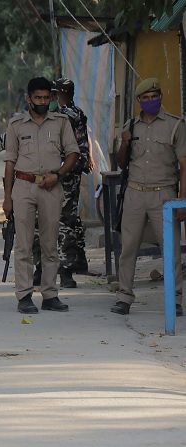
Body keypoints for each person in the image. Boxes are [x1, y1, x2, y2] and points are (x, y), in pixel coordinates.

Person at [3, 77, 80, 314]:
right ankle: (24, 295)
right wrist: (7, 198)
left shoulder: (61, 122)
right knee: (24, 244)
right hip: (23, 186)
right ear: (29, 98)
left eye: (47, 98)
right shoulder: (16, 125)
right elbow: (9, 163)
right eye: (38, 98)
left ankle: (50, 295)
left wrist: (58, 175)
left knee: (50, 243)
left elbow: (73, 153)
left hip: (51, 186)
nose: (42, 102)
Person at [111, 78, 186, 316]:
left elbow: (184, 166)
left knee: (170, 249)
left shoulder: (175, 125)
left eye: (155, 97)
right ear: (139, 101)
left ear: (161, 98)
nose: (151, 101)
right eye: (146, 98)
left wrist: (182, 201)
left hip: (164, 194)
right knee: (128, 248)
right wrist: (123, 144)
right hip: (134, 192)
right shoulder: (130, 125)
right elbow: (121, 163)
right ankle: (124, 297)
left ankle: (174, 299)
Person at [51, 78, 91, 287]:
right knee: (70, 219)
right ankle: (76, 262)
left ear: (58, 94)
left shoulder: (59, 116)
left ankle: (64, 270)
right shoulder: (79, 114)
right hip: (73, 173)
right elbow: (84, 141)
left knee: (61, 223)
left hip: (60, 173)